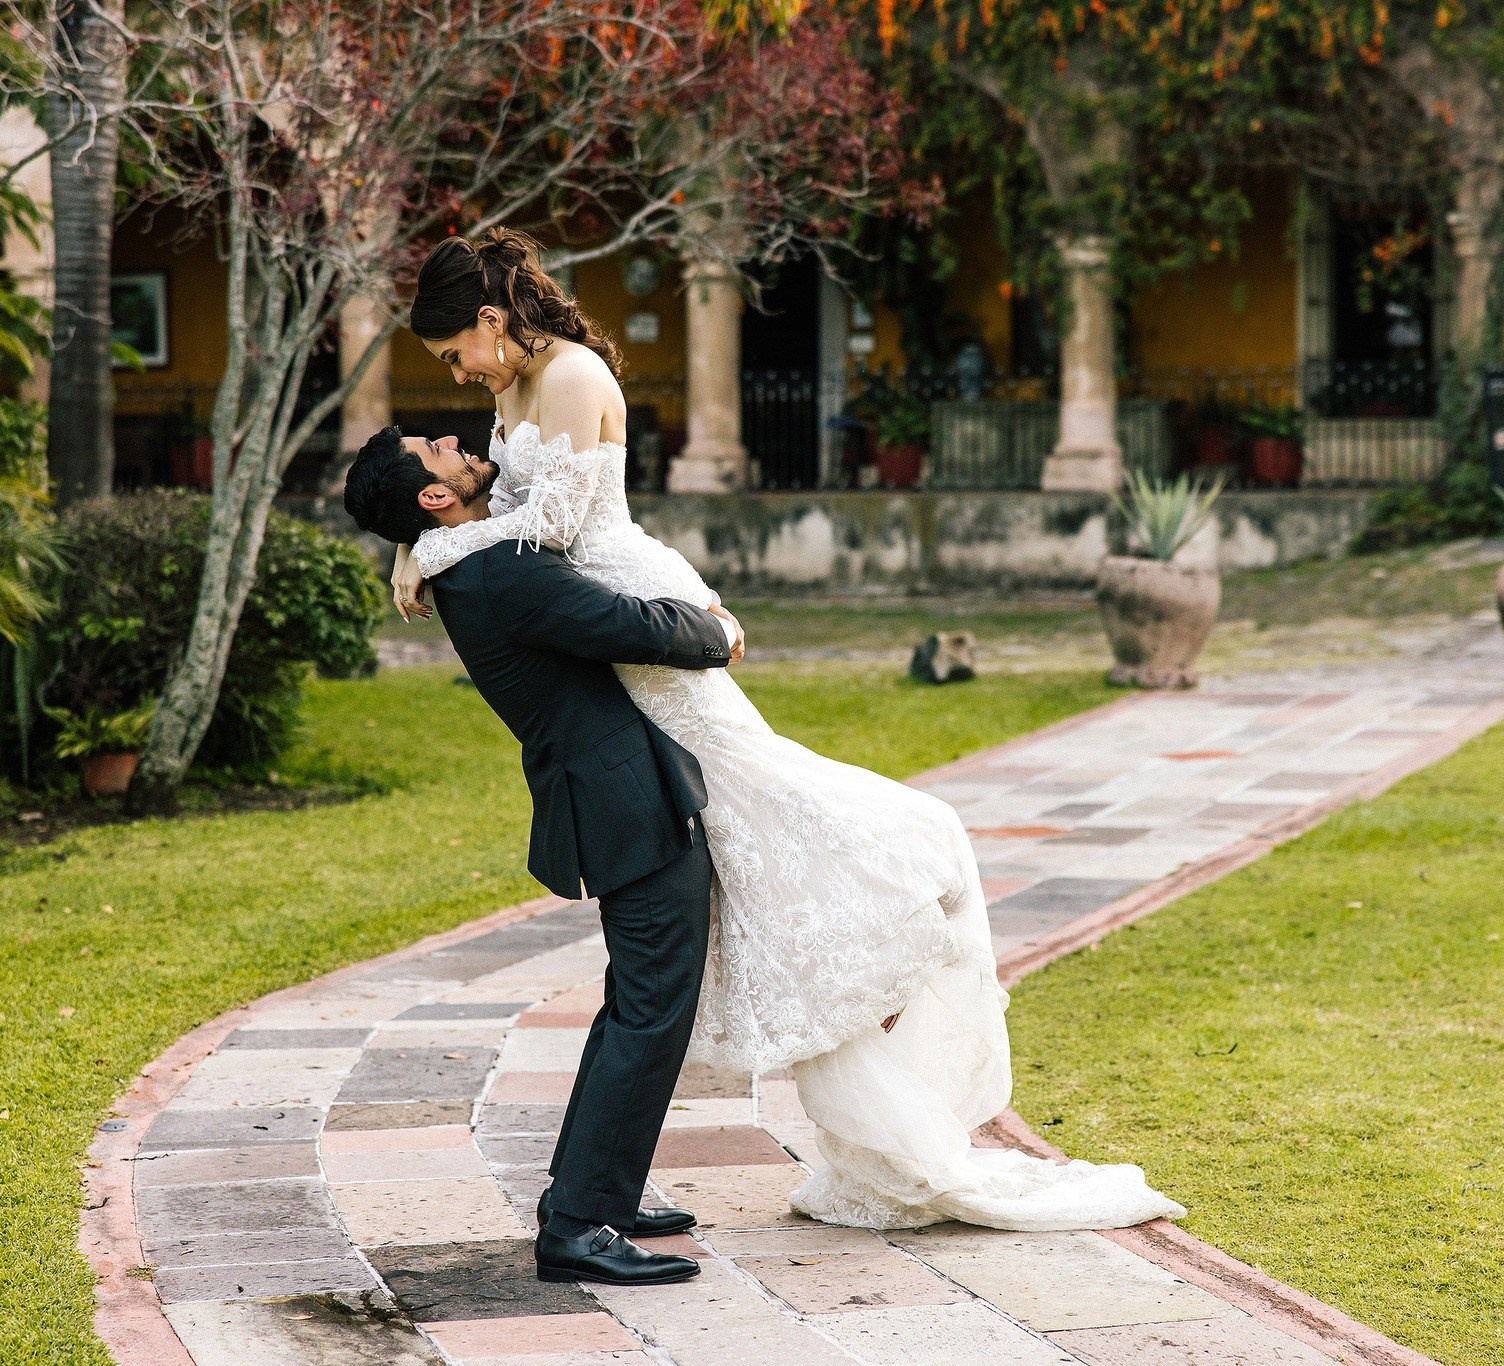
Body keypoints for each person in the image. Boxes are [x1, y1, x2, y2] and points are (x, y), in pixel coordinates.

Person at [376, 228, 1182, 1233]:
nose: (458, 375)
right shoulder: (506, 398)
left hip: (631, 601)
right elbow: (524, 539)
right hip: (603, 629)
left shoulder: (576, 374)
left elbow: (561, 535)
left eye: (458, 351)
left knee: (765, 798)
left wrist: (435, 543)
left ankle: (895, 888)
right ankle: (612, 1192)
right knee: (736, 851)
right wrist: (431, 539)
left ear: (492, 318)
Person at [344, 430, 745, 1286]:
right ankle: (579, 1227)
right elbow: (626, 625)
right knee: (650, 1007)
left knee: (634, 1002)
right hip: (624, 803)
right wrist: (713, 628)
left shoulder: (469, 560)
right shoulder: (497, 574)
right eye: (434, 449)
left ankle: (596, 1187)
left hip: (613, 792)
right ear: (433, 497)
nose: (452, 440)